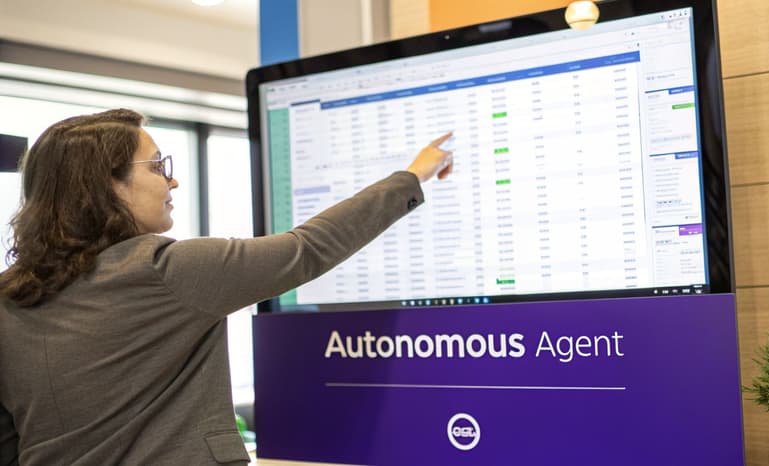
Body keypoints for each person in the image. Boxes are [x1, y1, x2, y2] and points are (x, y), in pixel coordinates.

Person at [0, 109, 453, 465]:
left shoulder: (9, 295)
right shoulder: (166, 270)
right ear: (106, 185)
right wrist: (411, 176)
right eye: (158, 166)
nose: (173, 179)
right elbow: (310, 247)